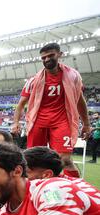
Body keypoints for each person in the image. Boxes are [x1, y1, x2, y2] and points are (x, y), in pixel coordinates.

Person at [11, 43, 90, 178]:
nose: (47, 59)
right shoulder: (34, 80)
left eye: (51, 55)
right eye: (43, 58)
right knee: (31, 160)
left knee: (64, 160)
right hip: (38, 122)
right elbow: (21, 104)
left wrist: (86, 124)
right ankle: (34, 191)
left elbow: (80, 101)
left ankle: (75, 190)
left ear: (59, 54)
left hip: (62, 121)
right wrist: (16, 122)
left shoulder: (73, 76)